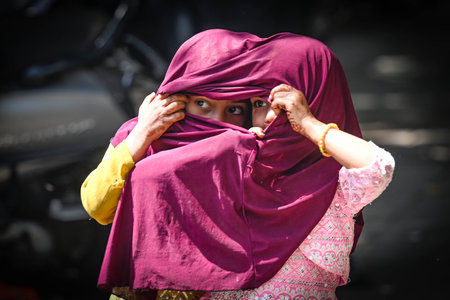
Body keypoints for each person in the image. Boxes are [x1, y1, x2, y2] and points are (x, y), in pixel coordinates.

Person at [81, 29, 394, 300]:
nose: (217, 122)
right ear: (177, 98)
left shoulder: (251, 159)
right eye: (202, 104)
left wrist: (308, 126)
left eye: (233, 110)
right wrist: (139, 139)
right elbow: (97, 206)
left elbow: (377, 167)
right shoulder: (144, 137)